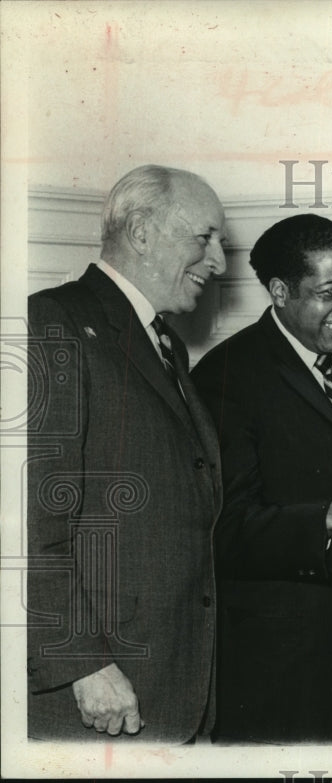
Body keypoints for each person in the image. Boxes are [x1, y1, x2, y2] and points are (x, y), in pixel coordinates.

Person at [191, 214, 332, 744]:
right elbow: (222, 532)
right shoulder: (225, 377)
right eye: (330, 292)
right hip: (277, 686)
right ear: (279, 292)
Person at [26, 164, 227, 742]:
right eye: (205, 238)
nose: (218, 262)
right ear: (141, 232)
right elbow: (28, 518)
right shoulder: (53, 322)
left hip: (168, 680)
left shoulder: (164, 344)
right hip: (99, 693)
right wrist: (83, 663)